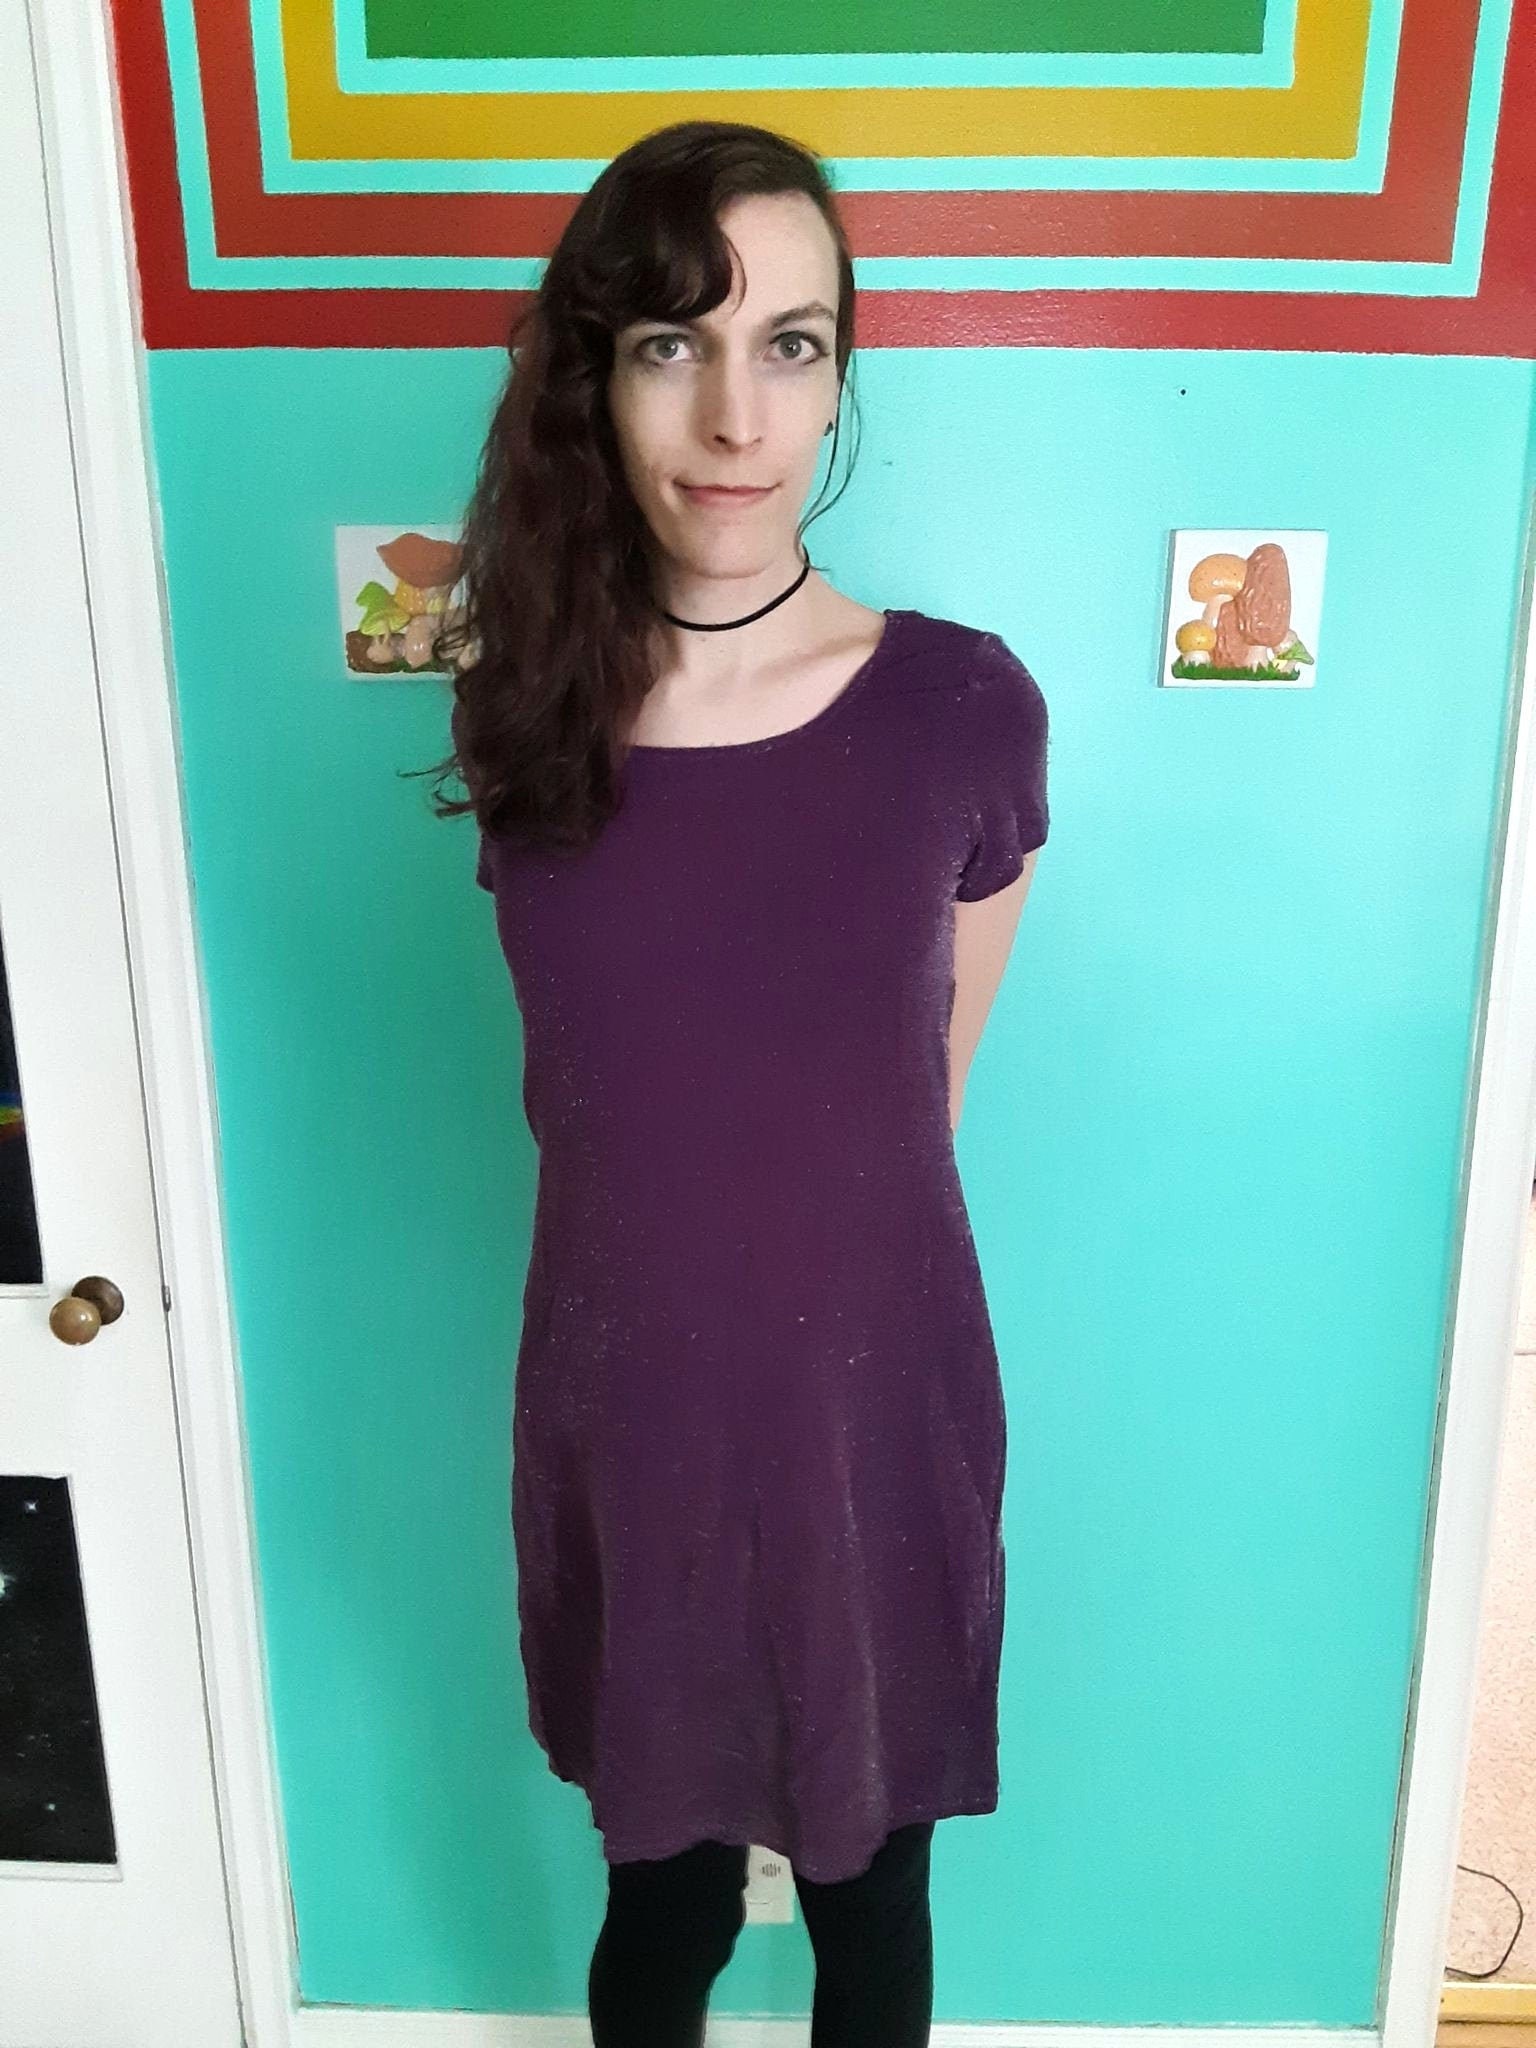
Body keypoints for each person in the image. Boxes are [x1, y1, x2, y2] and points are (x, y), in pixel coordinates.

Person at [427, 117, 1050, 2048]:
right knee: (664, 1907)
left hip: (872, 1407)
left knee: (875, 1905)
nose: (732, 413)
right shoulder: (522, 710)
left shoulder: (959, 706)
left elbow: (917, 1103)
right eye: (670, 344)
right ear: (596, 375)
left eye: (790, 343)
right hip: (628, 1415)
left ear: (841, 376)